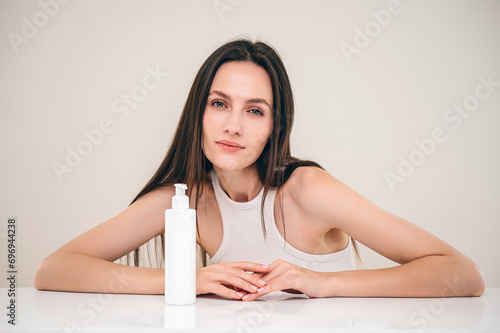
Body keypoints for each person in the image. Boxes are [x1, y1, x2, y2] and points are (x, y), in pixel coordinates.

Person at [34, 39, 485, 301]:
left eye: (255, 110)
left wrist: (321, 284)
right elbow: (53, 270)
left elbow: (463, 274)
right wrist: (184, 282)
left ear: (275, 126)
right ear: (199, 113)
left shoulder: (308, 190)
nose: (233, 126)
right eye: (219, 104)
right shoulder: (187, 200)